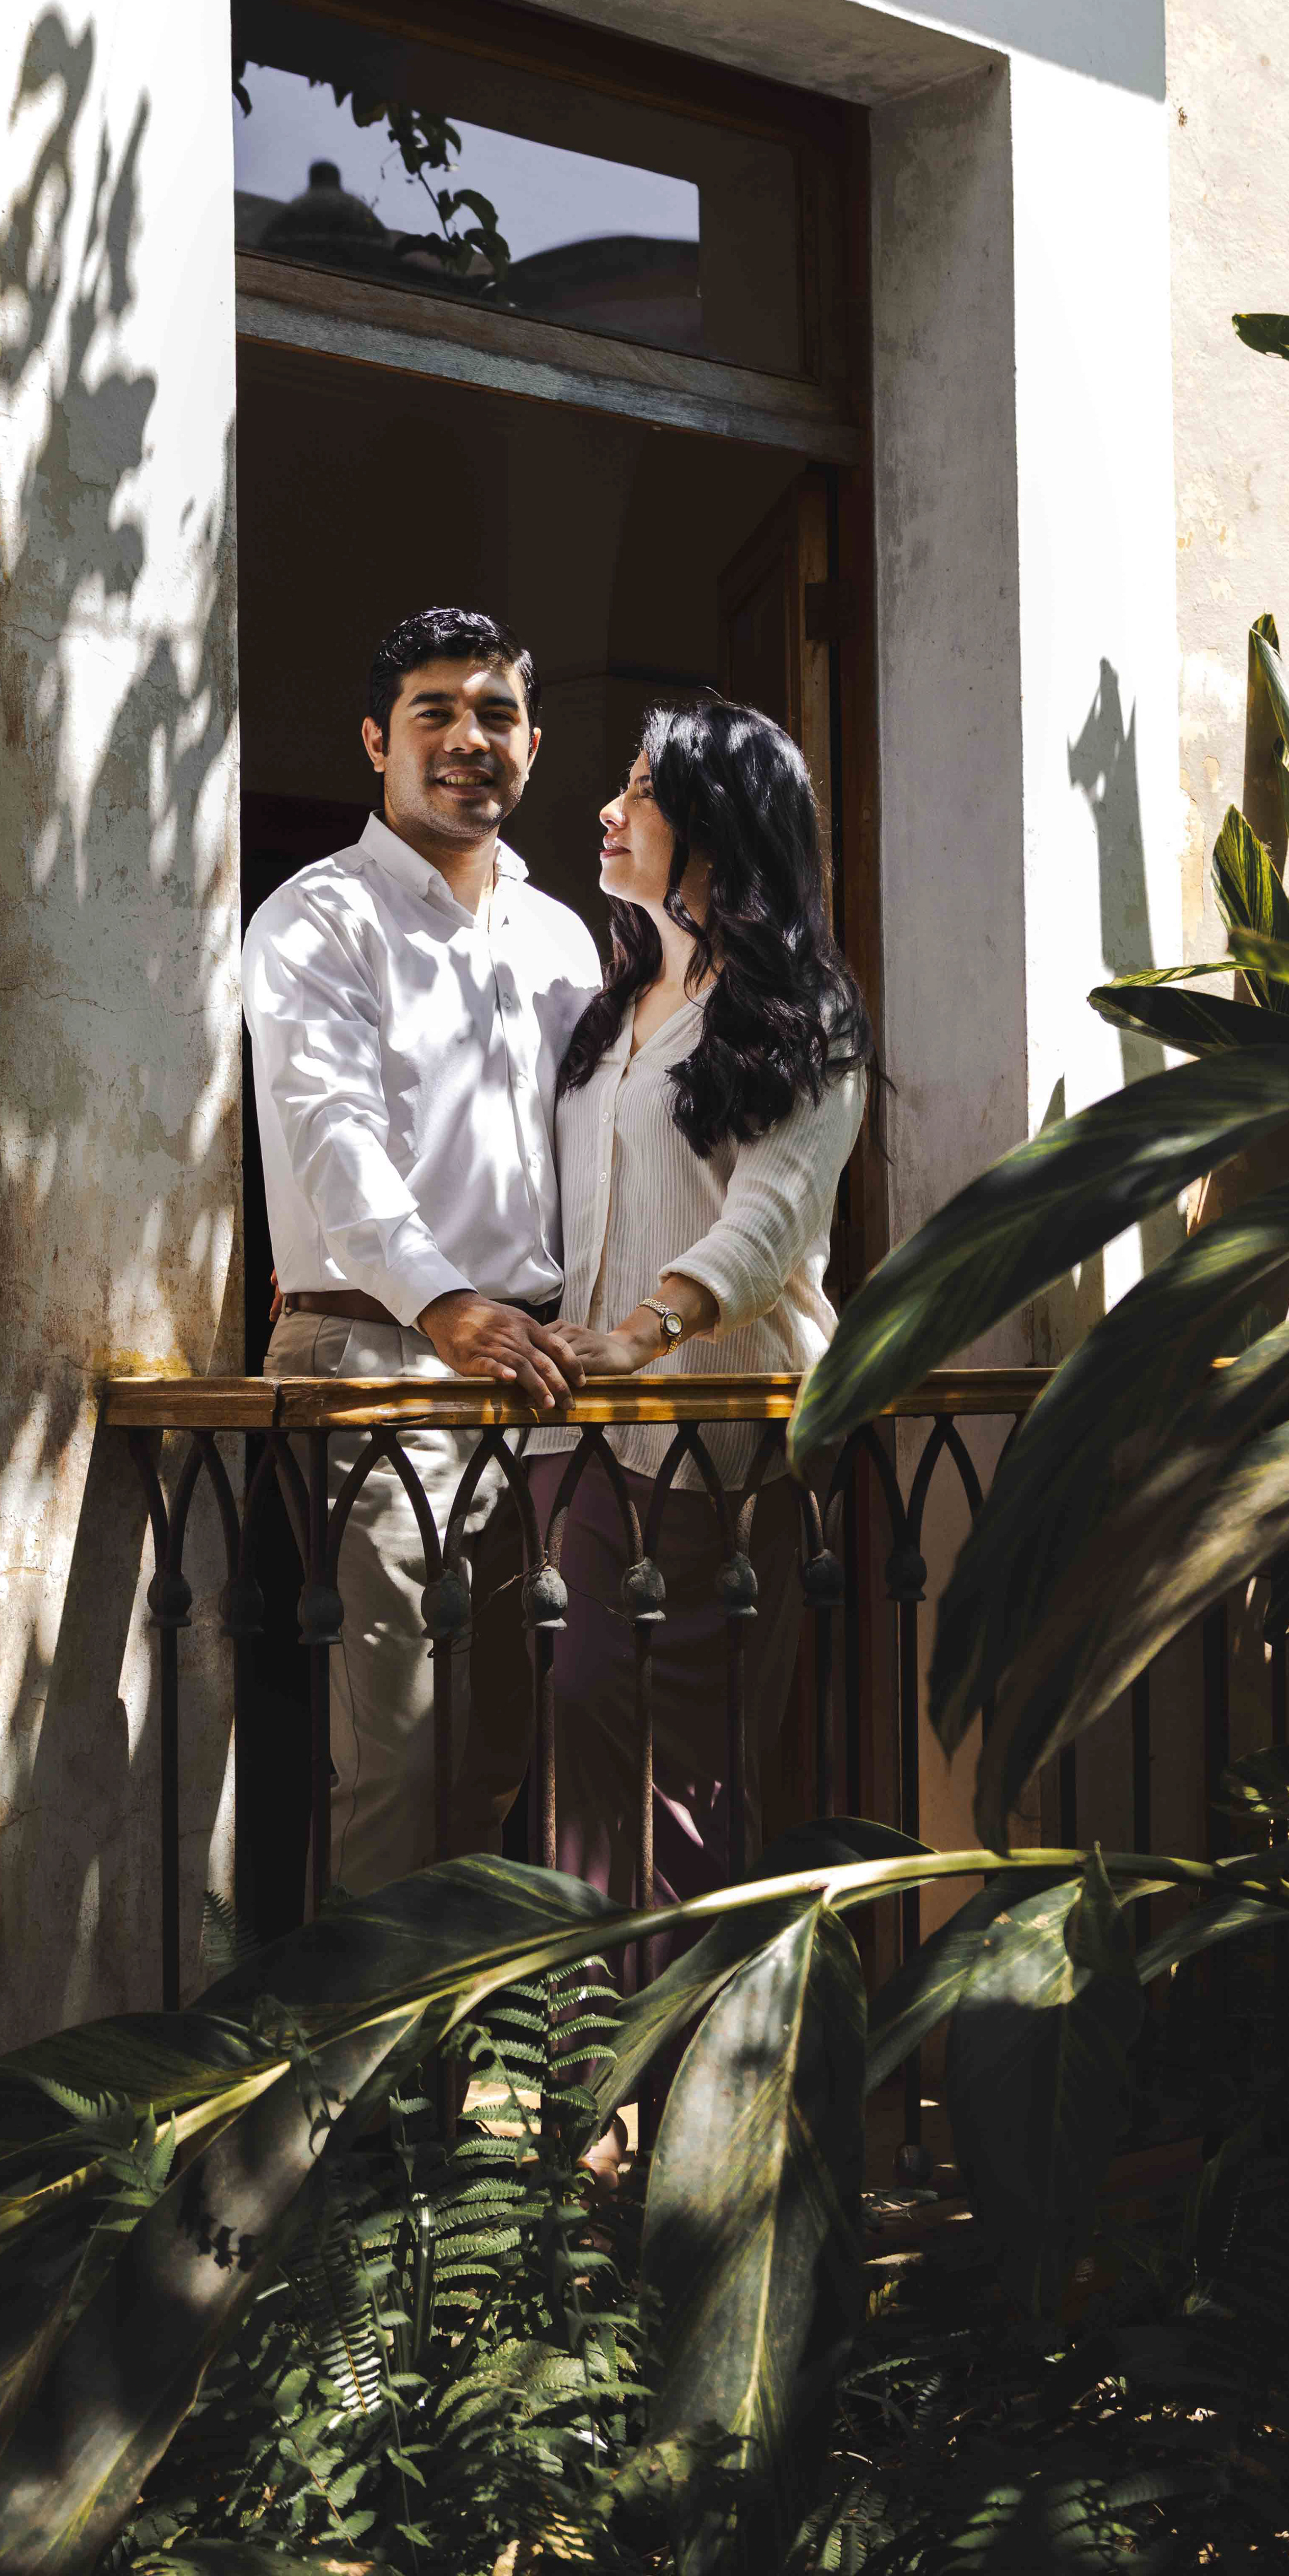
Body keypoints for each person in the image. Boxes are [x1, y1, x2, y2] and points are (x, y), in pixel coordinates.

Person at [241, 608, 603, 1893]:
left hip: (532, 1371)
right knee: (394, 1751)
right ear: (374, 742)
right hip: (378, 1353)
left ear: (534, 744)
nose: (467, 739)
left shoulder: (564, 936)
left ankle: (455, 2013)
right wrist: (442, 1302)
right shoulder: (317, 918)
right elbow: (330, 1135)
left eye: (496, 713)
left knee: (496, 1744)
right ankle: (358, 2026)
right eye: (433, 712)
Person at [526, 696, 872, 1904]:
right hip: (580, 1441)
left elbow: (767, 1225)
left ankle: (695, 2021)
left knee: (694, 1777)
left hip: (721, 1445)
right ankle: (592, 2012)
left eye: (642, 790)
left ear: (715, 827)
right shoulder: (606, 1017)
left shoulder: (804, 1016)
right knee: (580, 1735)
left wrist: (644, 1333)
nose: (608, 810)